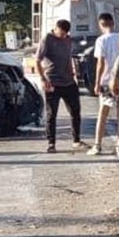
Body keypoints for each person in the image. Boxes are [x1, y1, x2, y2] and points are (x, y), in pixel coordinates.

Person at [35, 18, 84, 153]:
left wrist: (73, 72)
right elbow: (38, 60)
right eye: (61, 33)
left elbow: (68, 57)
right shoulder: (47, 39)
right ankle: (51, 143)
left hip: (68, 81)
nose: (63, 36)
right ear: (56, 29)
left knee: (75, 112)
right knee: (51, 114)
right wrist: (43, 79)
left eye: (65, 34)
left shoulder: (68, 39)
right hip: (53, 82)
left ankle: (76, 140)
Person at [87, 13, 119, 157]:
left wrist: (97, 83)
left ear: (100, 25)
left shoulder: (101, 40)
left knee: (103, 114)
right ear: (113, 23)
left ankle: (97, 146)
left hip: (107, 81)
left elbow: (100, 63)